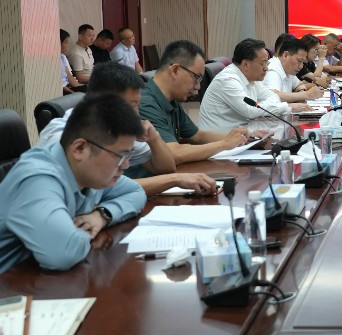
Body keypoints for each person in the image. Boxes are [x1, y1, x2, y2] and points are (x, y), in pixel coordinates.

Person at [0, 94, 146, 273]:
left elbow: (136, 192)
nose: (126, 165)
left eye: (129, 155)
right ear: (80, 148)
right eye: (120, 156)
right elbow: (63, 253)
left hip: (33, 274)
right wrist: (81, 232)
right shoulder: (37, 178)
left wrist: (101, 216)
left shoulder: (87, 172)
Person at [39, 61, 217, 197]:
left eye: (137, 105)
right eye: (131, 105)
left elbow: (166, 168)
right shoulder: (61, 135)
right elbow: (103, 188)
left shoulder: (118, 129)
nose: (136, 113)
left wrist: (154, 138)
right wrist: (175, 179)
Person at [138, 40, 250, 165]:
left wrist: (239, 137)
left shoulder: (171, 100)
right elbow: (173, 153)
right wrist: (224, 144)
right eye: (197, 77)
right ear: (175, 70)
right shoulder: (144, 103)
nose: (198, 86)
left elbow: (197, 136)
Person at [199, 38, 292, 135]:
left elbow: (273, 96)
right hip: (218, 140)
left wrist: (266, 105)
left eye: (267, 62)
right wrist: (285, 107)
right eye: (263, 63)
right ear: (246, 64)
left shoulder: (251, 77)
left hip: (241, 133)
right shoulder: (228, 80)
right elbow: (249, 111)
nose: (266, 68)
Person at [264, 37, 323, 107]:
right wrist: (306, 95)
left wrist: (301, 92)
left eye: (303, 62)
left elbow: (299, 85)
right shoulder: (272, 69)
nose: (301, 66)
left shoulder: (288, 69)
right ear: (285, 55)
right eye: (299, 61)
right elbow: (273, 95)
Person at [60, 29, 86, 94]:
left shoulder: (62, 57)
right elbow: (61, 85)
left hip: (69, 86)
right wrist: (73, 93)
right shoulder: (53, 60)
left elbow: (69, 76)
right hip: (62, 90)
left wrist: (80, 87)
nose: (68, 45)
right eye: (66, 42)